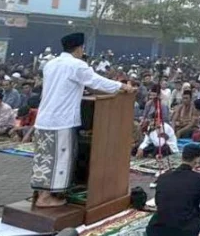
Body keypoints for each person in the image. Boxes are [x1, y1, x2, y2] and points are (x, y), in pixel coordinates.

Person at [30, 33, 132, 208]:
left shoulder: (50, 64)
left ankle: (41, 193)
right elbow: (96, 81)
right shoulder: (76, 65)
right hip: (62, 120)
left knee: (44, 158)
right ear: (79, 48)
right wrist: (122, 86)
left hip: (44, 118)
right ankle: (46, 198)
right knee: (59, 158)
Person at [146, 145, 200, 236]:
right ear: (196, 160)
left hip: (157, 231)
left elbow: (158, 203)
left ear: (182, 158)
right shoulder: (198, 179)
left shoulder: (163, 177)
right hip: (185, 232)